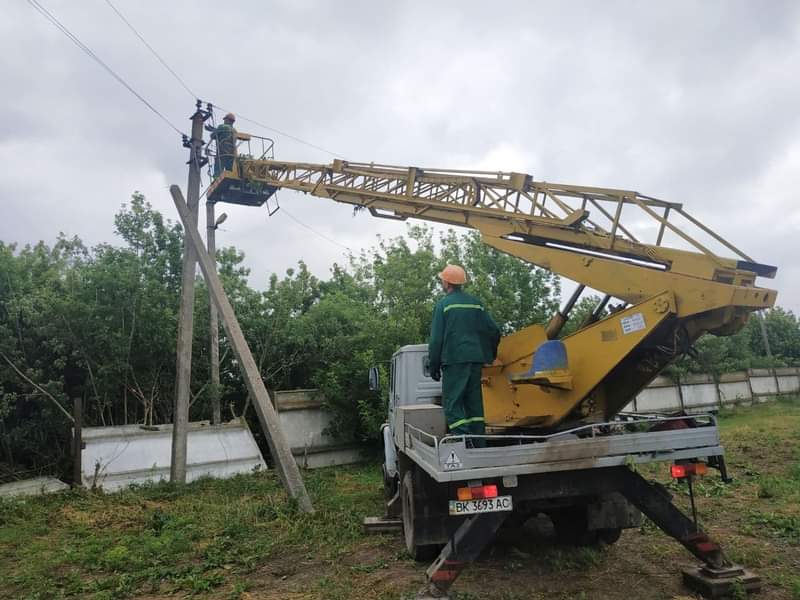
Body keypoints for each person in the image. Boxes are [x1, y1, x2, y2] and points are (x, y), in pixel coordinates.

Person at [428, 264, 501, 446]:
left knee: (452, 404)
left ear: (447, 282)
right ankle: (479, 446)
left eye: (442, 280)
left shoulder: (443, 305)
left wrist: (434, 365)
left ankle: (464, 444)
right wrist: (489, 355)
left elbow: (436, 340)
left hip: (454, 361)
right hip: (475, 361)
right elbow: (494, 331)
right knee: (474, 405)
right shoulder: (476, 304)